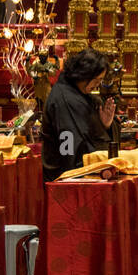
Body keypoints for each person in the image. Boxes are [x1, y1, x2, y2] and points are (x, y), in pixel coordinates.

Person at [41, 48, 116, 182]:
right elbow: (68, 142)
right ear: (84, 75)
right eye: (97, 80)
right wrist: (71, 172)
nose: (98, 85)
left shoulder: (81, 95)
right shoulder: (64, 99)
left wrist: (104, 125)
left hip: (79, 170)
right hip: (66, 174)